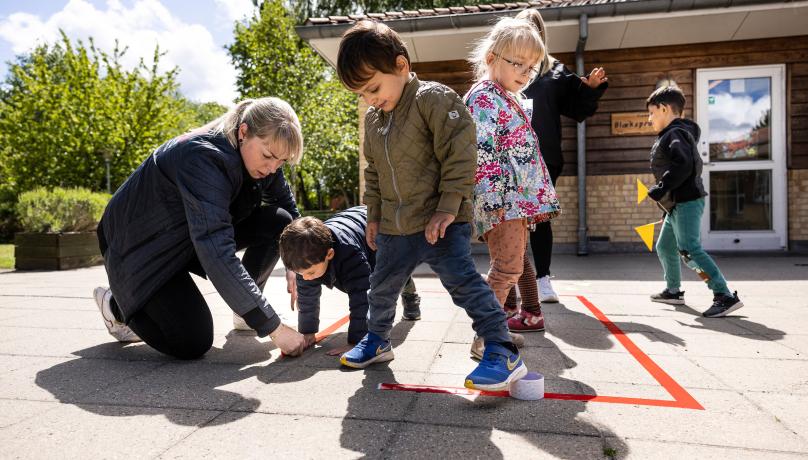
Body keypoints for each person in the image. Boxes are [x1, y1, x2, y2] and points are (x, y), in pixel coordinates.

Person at [335, 20, 527, 391]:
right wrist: (373, 216)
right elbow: (373, 173)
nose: (370, 99)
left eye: (373, 87)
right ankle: (378, 341)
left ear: (401, 66)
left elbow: (461, 152)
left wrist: (449, 205)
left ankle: (502, 349)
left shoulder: (433, 99)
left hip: (440, 222)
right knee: (382, 285)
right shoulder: (375, 122)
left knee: (464, 284)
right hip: (394, 226)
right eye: (361, 94)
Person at [93, 97, 309, 359]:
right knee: (192, 341)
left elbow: (289, 212)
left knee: (281, 222)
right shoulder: (203, 158)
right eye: (268, 156)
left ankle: (246, 312)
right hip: (138, 249)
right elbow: (215, 247)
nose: (273, 167)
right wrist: (273, 327)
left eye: (281, 161)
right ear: (243, 133)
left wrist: (297, 261)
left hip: (184, 236)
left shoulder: (264, 158)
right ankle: (115, 305)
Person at [465, 17, 561, 335]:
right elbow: (481, 152)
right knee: (507, 268)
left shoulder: (505, 97)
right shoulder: (484, 98)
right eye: (518, 63)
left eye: (531, 67)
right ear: (492, 58)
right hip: (502, 201)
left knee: (513, 266)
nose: (525, 73)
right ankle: (487, 334)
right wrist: (497, 202)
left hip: (514, 202)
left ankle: (492, 331)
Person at [516, 8, 608, 304]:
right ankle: (512, 278)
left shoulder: (554, 71)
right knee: (512, 220)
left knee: (539, 219)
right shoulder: (506, 67)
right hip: (509, 158)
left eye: (533, 31)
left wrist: (592, 90)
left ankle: (542, 280)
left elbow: (578, 108)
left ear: (541, 36)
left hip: (544, 157)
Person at [645, 85, 744, 317]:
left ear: (665, 109)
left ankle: (724, 295)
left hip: (686, 201)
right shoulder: (677, 133)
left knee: (689, 250)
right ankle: (673, 291)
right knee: (665, 246)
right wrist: (666, 205)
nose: (649, 119)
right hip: (676, 205)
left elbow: (684, 165)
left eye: (651, 113)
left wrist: (662, 188)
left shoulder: (675, 134)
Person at [278, 206, 421, 356]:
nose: (305, 277)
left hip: (379, 234)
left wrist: (356, 342)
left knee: (392, 275)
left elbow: (361, 297)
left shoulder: (350, 254)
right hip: (354, 228)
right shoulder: (306, 257)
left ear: (329, 254)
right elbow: (307, 298)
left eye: (310, 272)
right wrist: (307, 332)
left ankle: (410, 296)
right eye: (300, 274)